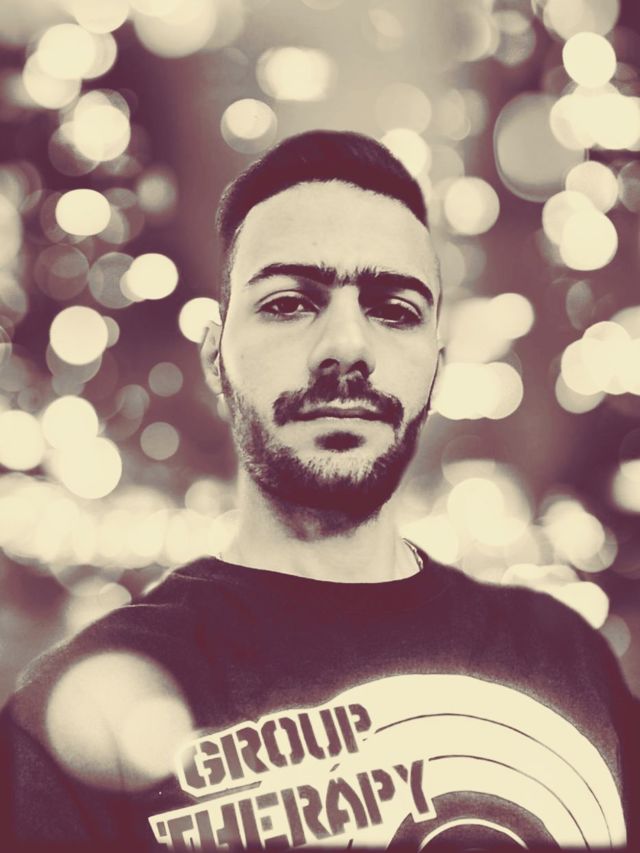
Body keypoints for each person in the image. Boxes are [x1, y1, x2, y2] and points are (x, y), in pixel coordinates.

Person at [1, 130, 638, 852]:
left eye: (394, 310)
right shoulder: (65, 718)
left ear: (436, 365)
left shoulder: (567, 654)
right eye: (288, 303)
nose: (346, 347)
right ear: (214, 357)